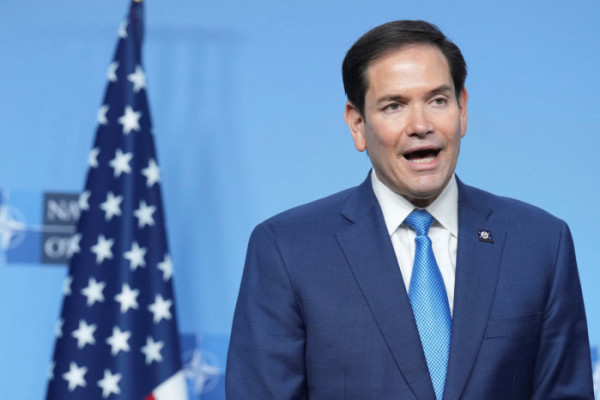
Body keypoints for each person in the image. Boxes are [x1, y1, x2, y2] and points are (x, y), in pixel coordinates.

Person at [226, 20, 594, 399]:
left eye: (438, 101)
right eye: (394, 106)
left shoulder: (541, 243)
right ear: (357, 124)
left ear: (463, 109)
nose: (420, 125)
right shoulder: (288, 249)